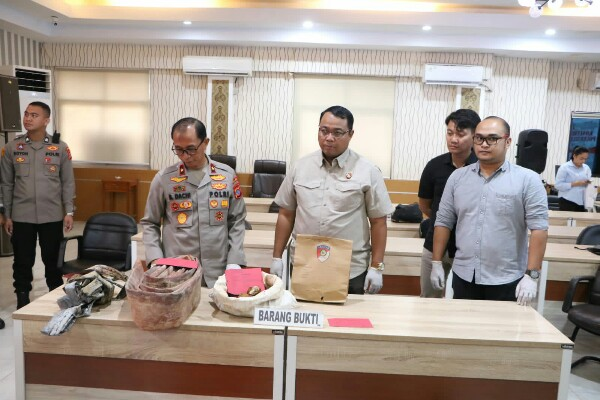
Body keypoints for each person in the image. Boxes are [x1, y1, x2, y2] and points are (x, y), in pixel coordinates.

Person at [270, 105, 394, 294]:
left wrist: (377, 266)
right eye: (324, 131)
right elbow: (286, 214)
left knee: (347, 314)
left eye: (337, 133)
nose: (329, 138)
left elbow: (378, 222)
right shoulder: (300, 167)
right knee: (304, 312)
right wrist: (277, 257)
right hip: (305, 264)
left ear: (350, 134)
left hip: (350, 268)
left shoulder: (368, 171)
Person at [432, 116, 548, 305]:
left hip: (507, 278)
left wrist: (532, 275)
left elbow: (539, 229)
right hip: (464, 274)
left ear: (507, 142)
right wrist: (436, 262)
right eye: (479, 138)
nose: (484, 144)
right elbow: (443, 221)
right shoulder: (457, 178)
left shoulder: (528, 180)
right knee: (464, 323)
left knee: (503, 324)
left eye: (492, 138)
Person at [141, 117, 247, 288]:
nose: (185, 156)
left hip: (218, 273)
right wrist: (155, 259)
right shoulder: (164, 179)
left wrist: (235, 260)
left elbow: (237, 220)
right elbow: (150, 223)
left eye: (191, 149)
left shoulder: (227, 175)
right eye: (178, 149)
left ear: (205, 142)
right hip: (178, 273)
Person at [0, 101, 75, 309]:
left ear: (46, 120)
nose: (28, 118)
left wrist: (69, 211)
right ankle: (22, 301)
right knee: (22, 262)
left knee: (52, 261)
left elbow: (68, 182)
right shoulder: (12, 148)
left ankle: (54, 301)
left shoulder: (60, 148)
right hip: (21, 216)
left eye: (34, 115)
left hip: (52, 215)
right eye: (26, 114)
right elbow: (6, 184)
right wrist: (7, 214)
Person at [418, 109, 480, 298]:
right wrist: (443, 223)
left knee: (467, 302)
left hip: (468, 248)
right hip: (434, 244)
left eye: (460, 134)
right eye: (450, 133)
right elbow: (425, 205)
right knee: (428, 299)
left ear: (475, 136)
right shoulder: (434, 166)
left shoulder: (482, 167)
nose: (453, 139)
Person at [555, 146, 592, 212]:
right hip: (567, 201)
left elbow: (589, 182)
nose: (583, 161)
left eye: (585, 159)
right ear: (574, 156)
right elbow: (558, 185)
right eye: (581, 158)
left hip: (583, 202)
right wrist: (574, 184)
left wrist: (589, 183)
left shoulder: (586, 168)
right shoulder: (564, 167)